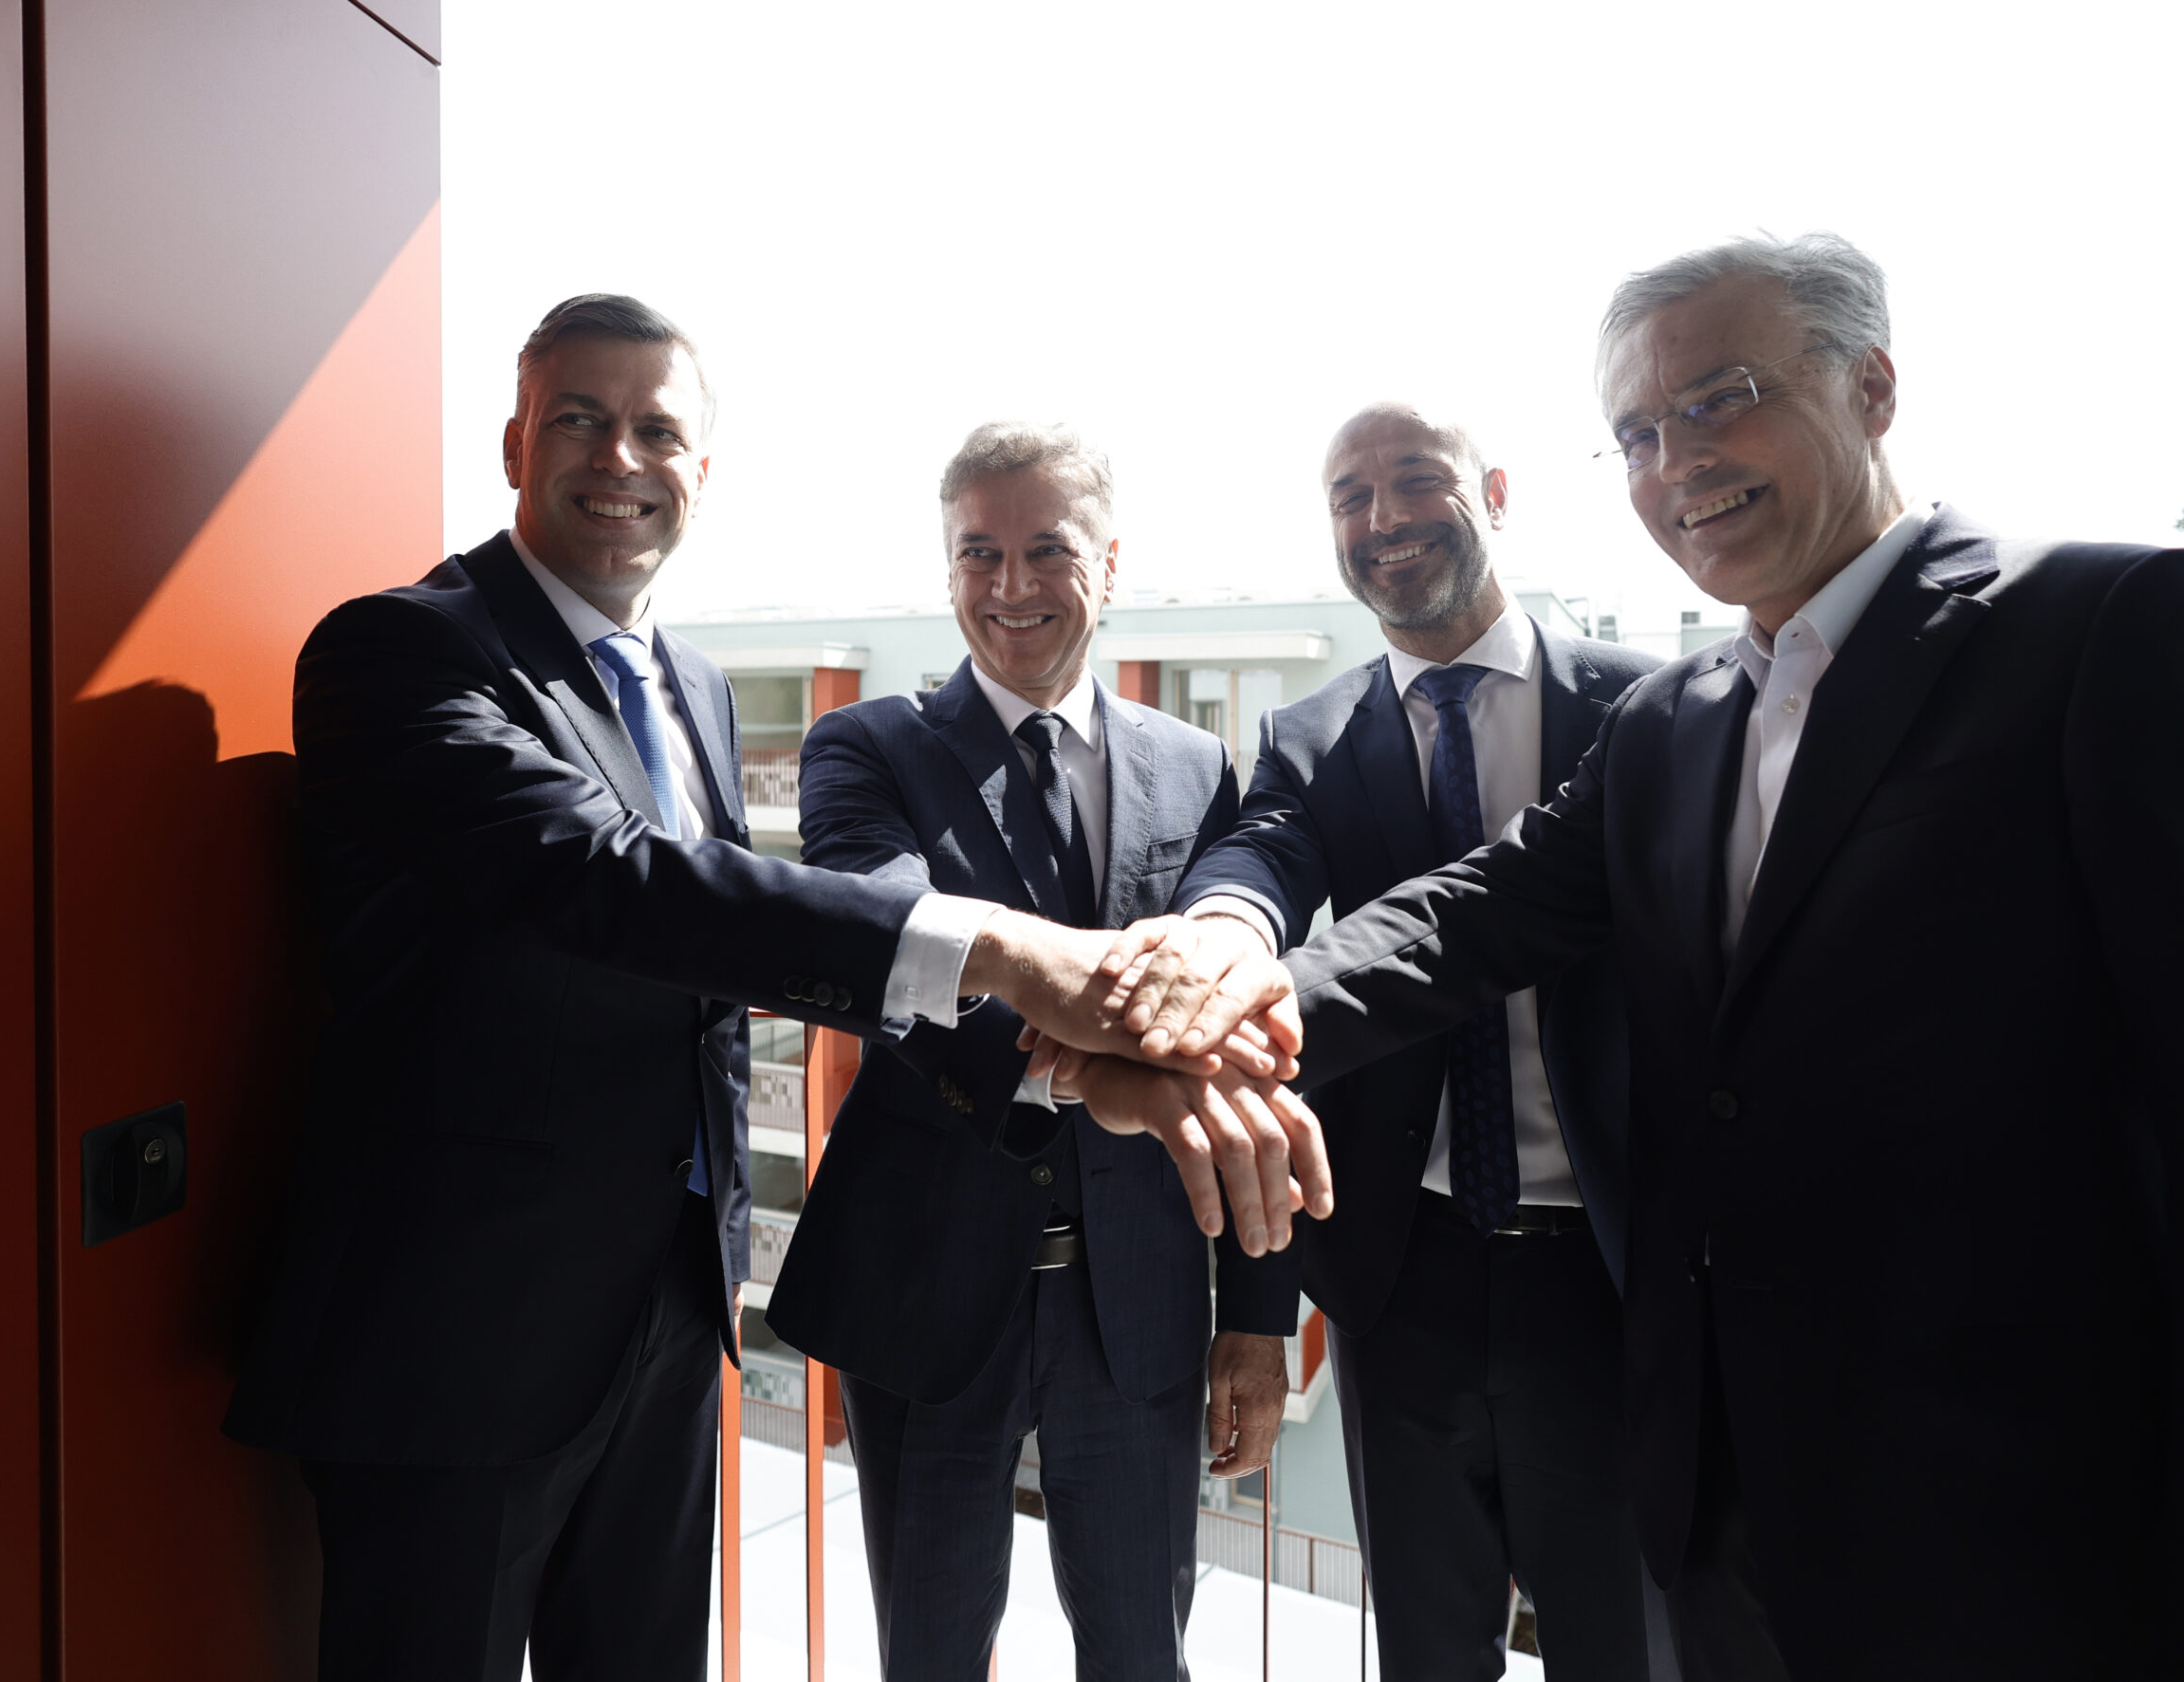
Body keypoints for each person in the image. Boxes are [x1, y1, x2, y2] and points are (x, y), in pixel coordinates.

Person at [1077, 233, 2184, 1678]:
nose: (1680, 461)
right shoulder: (1674, 720)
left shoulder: (2104, 629)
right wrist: (1222, 1001)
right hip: (1717, 1488)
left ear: (1872, 386)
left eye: (1721, 399)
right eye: (1640, 433)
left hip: (2019, 1503)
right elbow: (1469, 917)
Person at [219, 295, 1318, 1682]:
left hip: (676, 1319)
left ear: (701, 468)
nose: (620, 458)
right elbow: (616, 882)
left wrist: (1238, 1279)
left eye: (657, 429)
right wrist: (1014, 955)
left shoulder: (690, 680)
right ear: (512, 444)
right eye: (580, 419)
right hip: (465, 1332)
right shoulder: (399, 649)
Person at [768, 423, 1302, 1681]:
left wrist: (1258, 1320)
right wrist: (1089, 1067)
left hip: (1141, 1302)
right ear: (948, 566)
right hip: (931, 1287)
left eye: (1046, 550)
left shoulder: (1197, 768)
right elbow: (891, 959)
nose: (1010, 585)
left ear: (1109, 564)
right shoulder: (867, 748)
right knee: (932, 1656)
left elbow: (1243, 1047)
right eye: (979, 553)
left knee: (1144, 1655)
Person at [1173, 403, 1665, 1680]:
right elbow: (1260, 858)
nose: (1383, 518)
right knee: (1426, 1655)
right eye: (1350, 496)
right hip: (1402, 1279)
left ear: (1493, 490)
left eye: (1413, 480)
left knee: (1626, 1644)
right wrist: (1224, 929)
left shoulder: (1644, 706)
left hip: (1610, 1276)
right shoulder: (1309, 737)